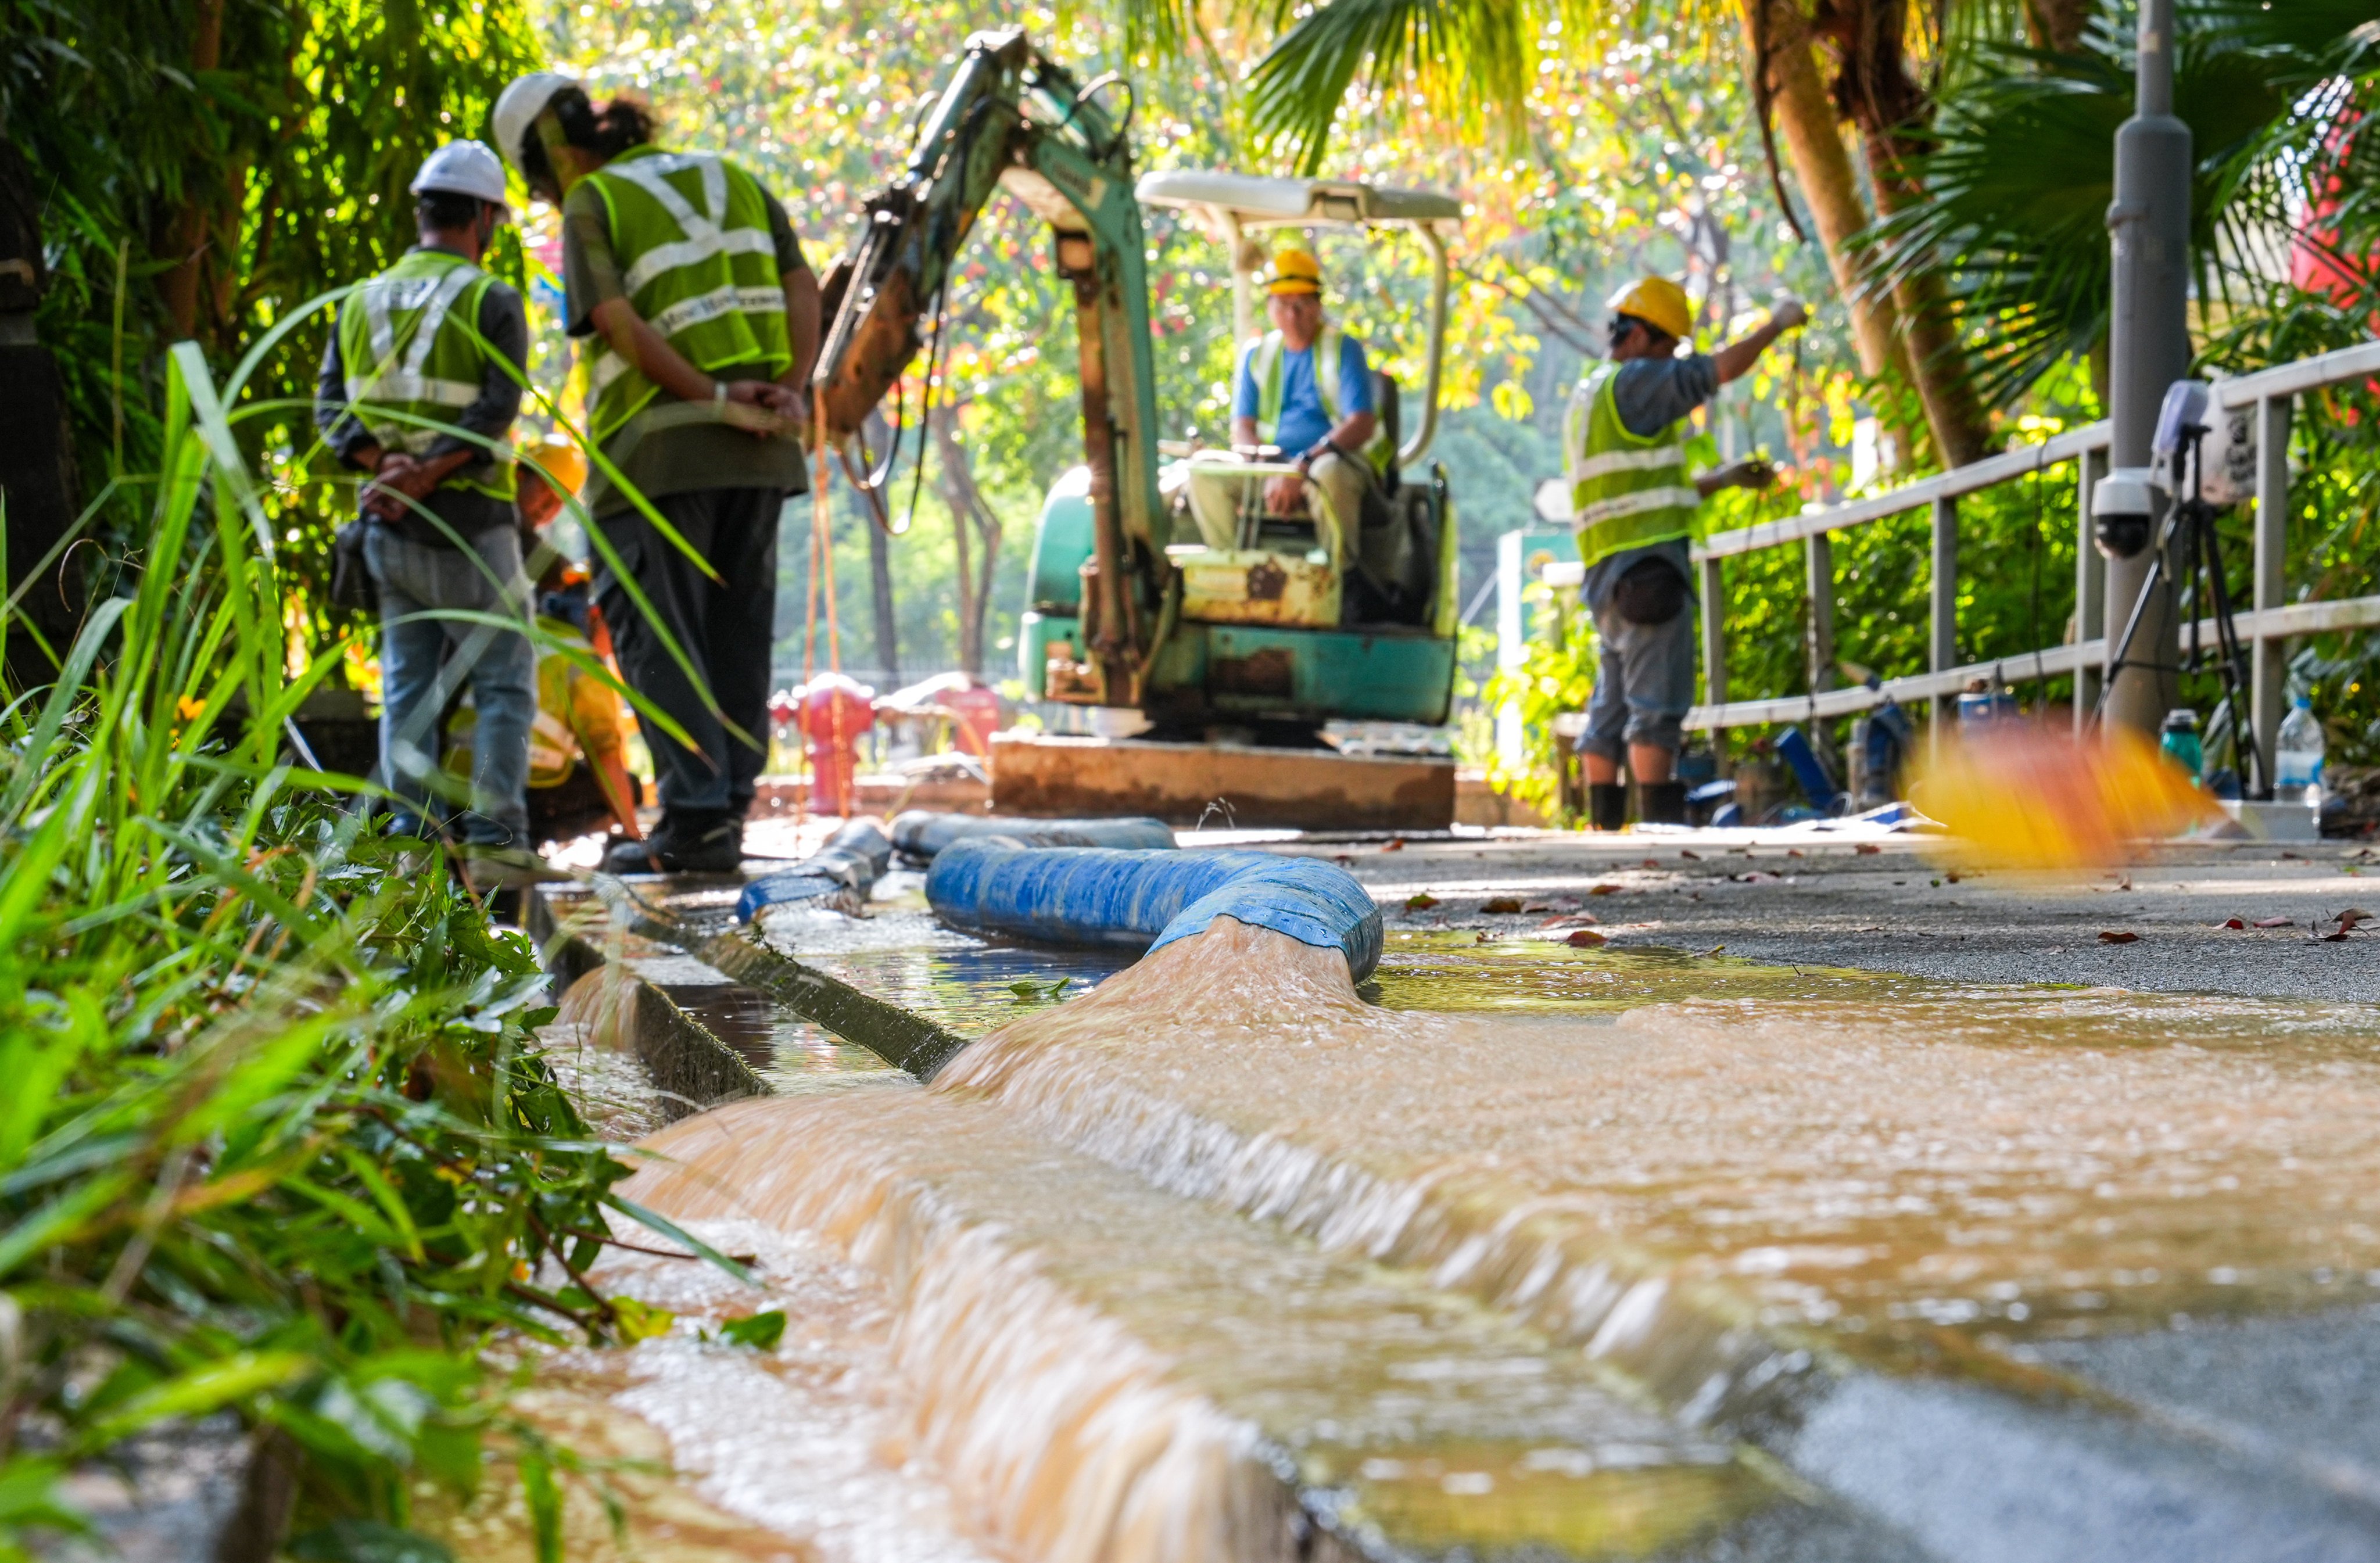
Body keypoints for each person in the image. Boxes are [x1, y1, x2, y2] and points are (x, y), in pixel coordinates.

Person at [491, 73, 822, 873]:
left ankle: (697, 818)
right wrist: (793, 388)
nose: (544, 195)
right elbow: (803, 285)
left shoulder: (591, 202)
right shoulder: (731, 177)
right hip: (763, 447)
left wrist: (710, 396)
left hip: (656, 457)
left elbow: (613, 319)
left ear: (552, 156)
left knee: (657, 630)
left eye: (536, 180)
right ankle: (725, 813)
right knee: (737, 631)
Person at [315, 141, 536, 883]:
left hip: (387, 530)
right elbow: (496, 406)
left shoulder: (358, 301)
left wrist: (387, 468)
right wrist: (432, 470)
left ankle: (409, 843)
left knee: (408, 685)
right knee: (504, 679)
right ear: (482, 217)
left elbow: (329, 410)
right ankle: (499, 843)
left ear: (422, 212)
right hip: (472, 525)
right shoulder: (490, 299)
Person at [1562, 276, 1806, 830]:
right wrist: (1777, 323)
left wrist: (1722, 480)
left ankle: (1603, 829)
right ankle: (1658, 833)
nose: (1673, 357)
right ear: (1642, 336)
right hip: (1647, 568)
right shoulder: (1637, 383)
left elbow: (1641, 487)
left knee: (1613, 703)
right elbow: (1716, 371)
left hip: (1606, 569)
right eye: (1670, 345)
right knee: (1656, 705)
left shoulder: (1591, 394)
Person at [1187, 247, 1386, 569]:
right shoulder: (1257, 355)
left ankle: (1341, 579)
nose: (1292, 315)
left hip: (1328, 462)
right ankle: (1232, 569)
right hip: (1273, 464)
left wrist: (1301, 467)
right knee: (1204, 470)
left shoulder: (1343, 350)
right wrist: (1270, 469)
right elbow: (1243, 428)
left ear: (1318, 306)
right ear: (1269, 308)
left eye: (1302, 304)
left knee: (1329, 474)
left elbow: (1361, 423)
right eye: (1283, 304)